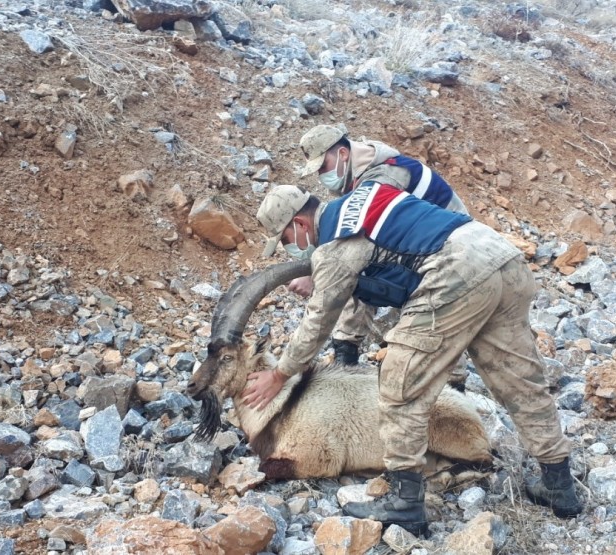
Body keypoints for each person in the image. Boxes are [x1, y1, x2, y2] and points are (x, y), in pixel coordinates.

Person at [245, 184, 584, 535]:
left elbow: (318, 320)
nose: (289, 246)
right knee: (519, 380)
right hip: (499, 254)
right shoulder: (362, 199)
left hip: (457, 271)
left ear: (299, 224)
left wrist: (281, 373)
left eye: (285, 238)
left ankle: (405, 502)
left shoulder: (334, 245)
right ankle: (559, 484)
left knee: (398, 384)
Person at [279, 124, 470, 365]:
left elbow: (353, 248)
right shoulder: (358, 175)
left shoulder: (384, 176)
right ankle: (345, 350)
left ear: (343, 154)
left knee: (436, 316)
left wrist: (316, 274)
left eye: (323, 167)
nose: (321, 176)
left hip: (449, 247)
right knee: (364, 272)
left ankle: (454, 379)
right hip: (419, 243)